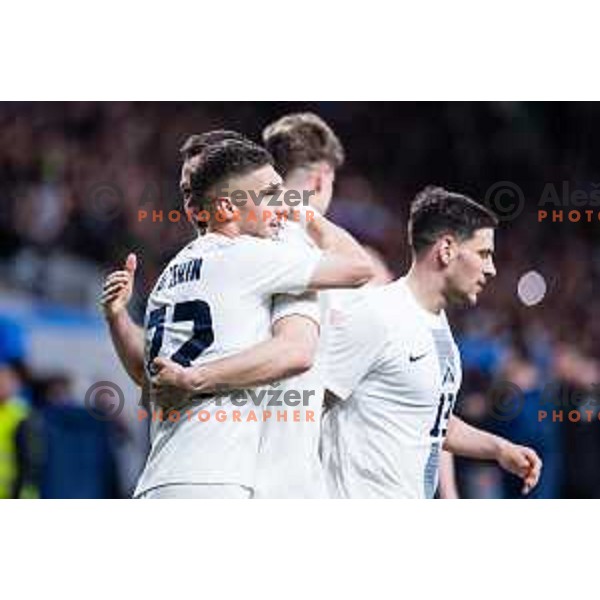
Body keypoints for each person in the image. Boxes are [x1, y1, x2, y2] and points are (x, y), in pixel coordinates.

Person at [103, 136, 374, 499]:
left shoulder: (172, 271)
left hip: (158, 476)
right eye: (269, 196)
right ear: (229, 208)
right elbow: (358, 268)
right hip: (216, 477)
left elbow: (147, 376)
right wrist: (305, 212)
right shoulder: (254, 255)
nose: (281, 204)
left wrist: (117, 317)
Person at [320, 186, 543, 498]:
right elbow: (308, 404)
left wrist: (498, 448)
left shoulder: (437, 326)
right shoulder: (377, 315)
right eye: (483, 253)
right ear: (447, 249)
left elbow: (430, 418)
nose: (491, 269)